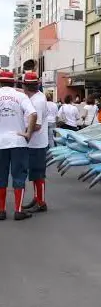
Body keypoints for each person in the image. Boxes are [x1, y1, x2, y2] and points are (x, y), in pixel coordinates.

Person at [0, 70, 37, 221]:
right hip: (18, 141)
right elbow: (33, 114)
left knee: (0, 176)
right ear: (14, 82)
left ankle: (1, 211)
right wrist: (28, 133)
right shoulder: (21, 96)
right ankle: (18, 210)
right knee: (19, 175)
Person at [21, 73, 49, 214]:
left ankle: (41, 202)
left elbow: (36, 126)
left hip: (36, 143)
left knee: (37, 174)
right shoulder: (36, 96)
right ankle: (37, 198)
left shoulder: (37, 101)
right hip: (36, 142)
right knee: (34, 174)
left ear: (26, 86)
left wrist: (22, 133)